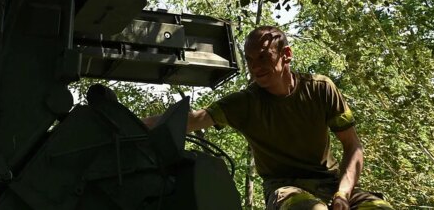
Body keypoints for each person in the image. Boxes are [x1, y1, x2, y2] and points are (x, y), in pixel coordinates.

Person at [144, 26, 392, 210]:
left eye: (263, 57)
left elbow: (353, 146)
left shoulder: (320, 89)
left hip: (332, 183)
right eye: (250, 60)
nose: (256, 67)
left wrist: (343, 194)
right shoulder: (245, 103)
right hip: (285, 190)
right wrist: (131, 124)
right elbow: (192, 120)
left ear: (286, 54)